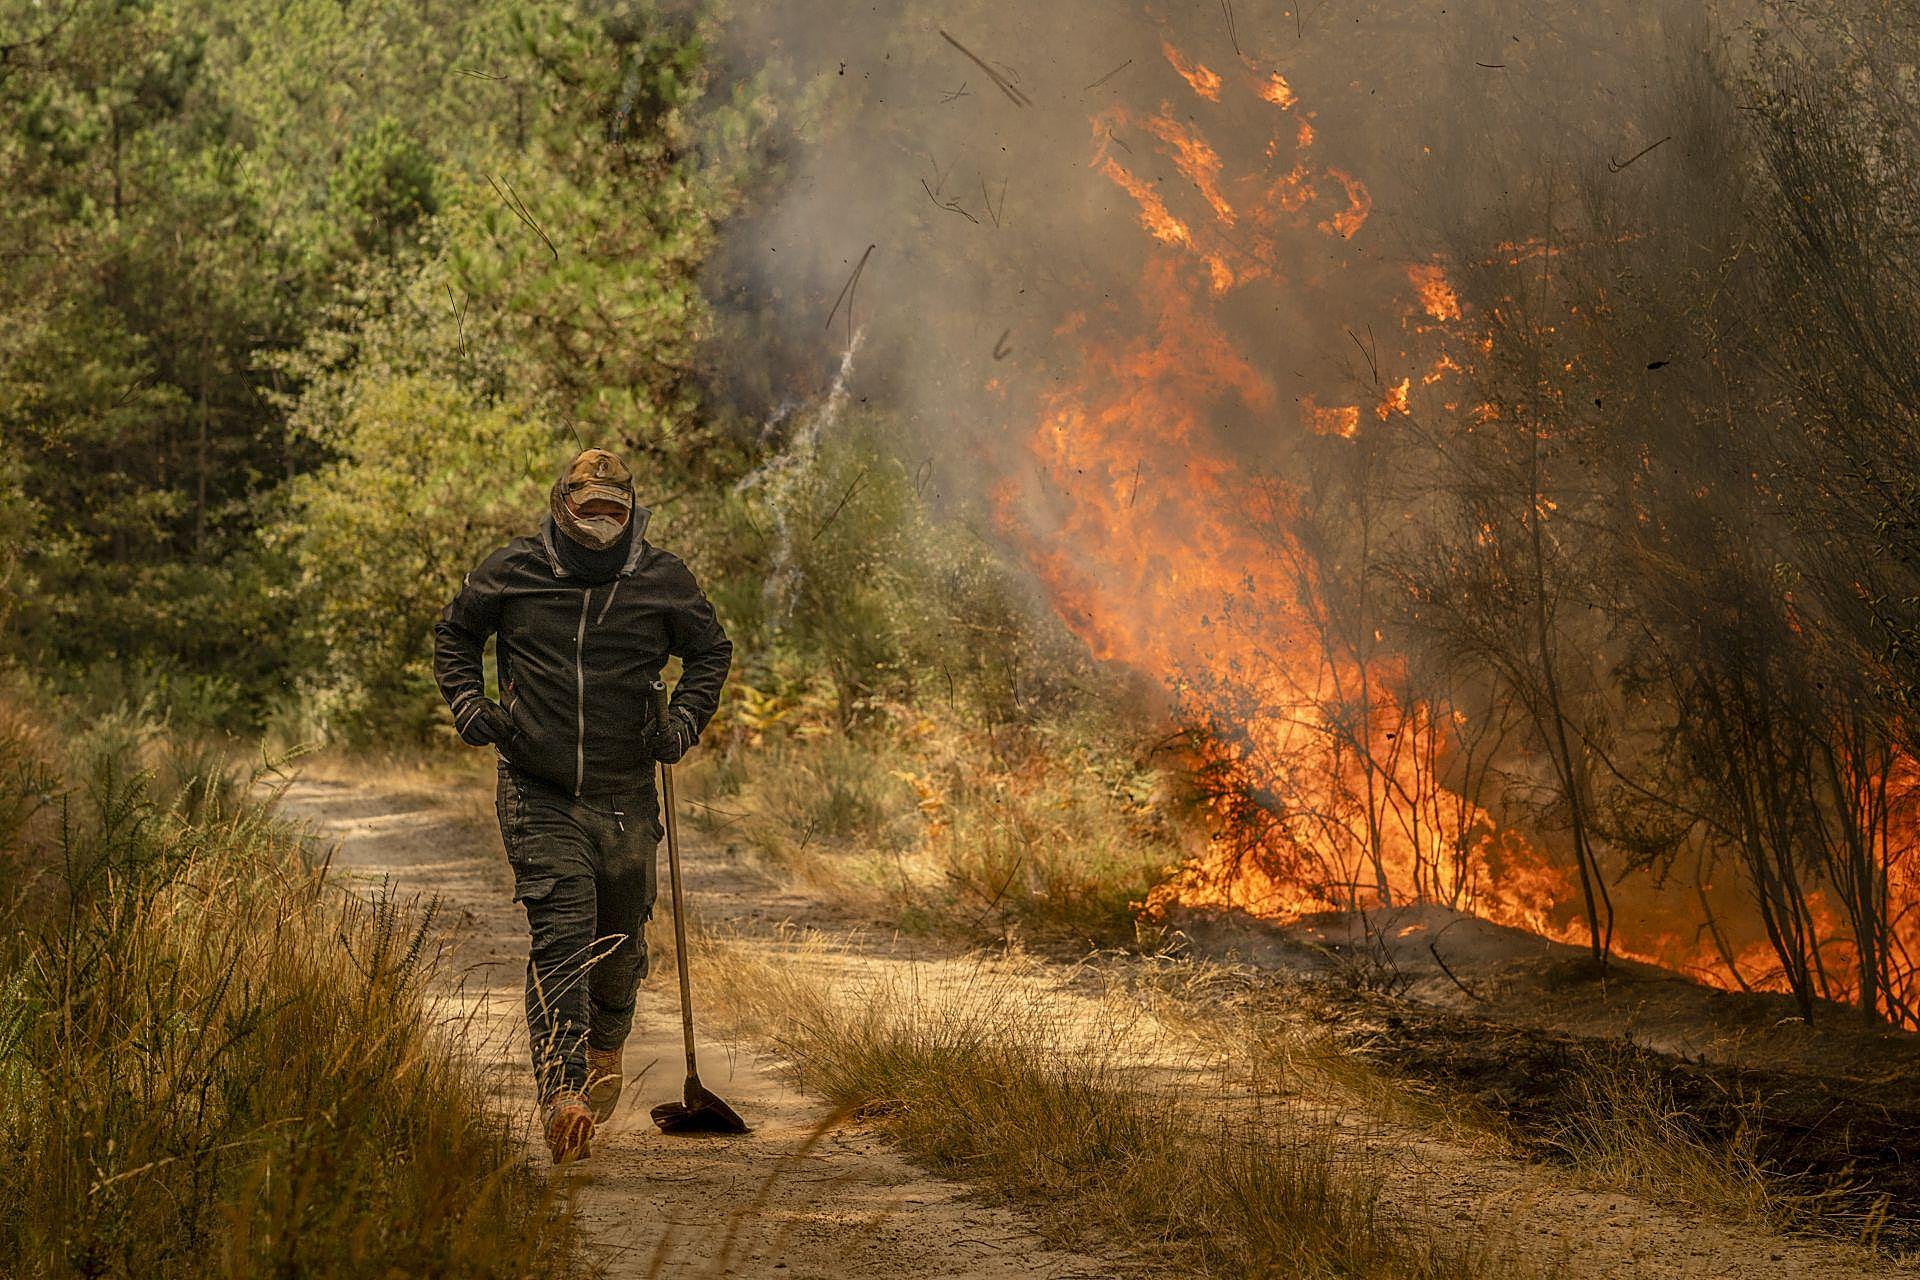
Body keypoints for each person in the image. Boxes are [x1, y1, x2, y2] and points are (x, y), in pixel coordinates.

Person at [432, 447, 732, 1163]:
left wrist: (684, 722)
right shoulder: (511, 569)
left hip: (627, 791)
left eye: (614, 510)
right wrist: (469, 702)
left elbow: (710, 652)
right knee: (563, 935)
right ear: (561, 507)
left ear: (631, 515)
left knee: (620, 946)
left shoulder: (664, 579)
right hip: (538, 790)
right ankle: (563, 1091)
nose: (600, 520)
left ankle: (607, 1039)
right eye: (588, 507)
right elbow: (456, 634)